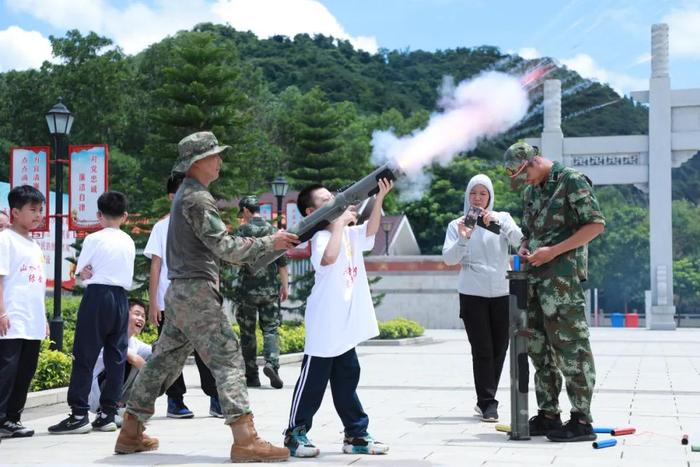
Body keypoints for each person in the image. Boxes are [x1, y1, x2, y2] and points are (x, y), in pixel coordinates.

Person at [115, 131, 298, 462]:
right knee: (228, 357)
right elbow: (225, 247)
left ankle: (130, 430)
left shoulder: (185, 195)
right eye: (215, 155)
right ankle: (245, 439)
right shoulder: (197, 198)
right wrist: (271, 241)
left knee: (162, 362)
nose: (220, 161)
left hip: (181, 292)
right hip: (197, 292)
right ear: (198, 162)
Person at [283, 180, 393, 459]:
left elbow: (370, 231)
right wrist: (339, 225)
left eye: (332, 197)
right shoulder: (320, 238)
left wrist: (379, 197)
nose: (333, 202)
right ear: (312, 212)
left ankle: (356, 434)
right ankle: (295, 433)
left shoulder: (348, 233)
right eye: (325, 201)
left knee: (347, 379)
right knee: (313, 382)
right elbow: (329, 259)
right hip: (325, 324)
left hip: (344, 323)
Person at [504, 141, 605, 442]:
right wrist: (525, 246)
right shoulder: (531, 192)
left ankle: (581, 420)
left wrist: (553, 251)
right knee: (538, 349)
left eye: (525, 175)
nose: (524, 182)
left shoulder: (571, 181)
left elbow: (595, 225)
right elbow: (529, 233)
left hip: (562, 282)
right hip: (533, 281)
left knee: (571, 347)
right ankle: (548, 414)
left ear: (533, 162)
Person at [49, 191, 136, 434]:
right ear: (125, 216)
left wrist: (81, 275)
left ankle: (79, 414)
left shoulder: (94, 239)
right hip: (120, 299)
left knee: (85, 354)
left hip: (98, 296)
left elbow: (83, 272)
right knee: (116, 357)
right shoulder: (128, 241)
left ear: (99, 215)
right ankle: (108, 413)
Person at [442, 174, 522, 423]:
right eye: (473, 193)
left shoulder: (502, 218)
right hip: (472, 294)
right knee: (483, 349)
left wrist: (498, 223)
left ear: (490, 197)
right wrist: (465, 237)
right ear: (467, 196)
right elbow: (449, 259)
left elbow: (520, 242)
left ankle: (486, 399)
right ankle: (488, 403)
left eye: (483, 193)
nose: (477, 198)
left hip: (501, 291)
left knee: (500, 348)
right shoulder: (458, 224)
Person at [144, 173, 221, 418]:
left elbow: (212, 261)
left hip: (201, 300)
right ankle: (175, 401)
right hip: (171, 300)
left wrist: (216, 294)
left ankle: (216, 398)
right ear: (171, 197)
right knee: (170, 352)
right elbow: (156, 265)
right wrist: (153, 303)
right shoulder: (161, 226)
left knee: (207, 351)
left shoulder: (204, 221)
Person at [0, 186, 47, 438]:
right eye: (33, 210)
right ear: (15, 212)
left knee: (25, 371)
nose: (38, 214)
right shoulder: (5, 239)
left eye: (40, 210)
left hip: (32, 321)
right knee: (6, 371)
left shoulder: (33, 244)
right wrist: (1, 313)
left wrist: (44, 318)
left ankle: (12, 419)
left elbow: (36, 285)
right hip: (11, 320)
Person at [234, 195, 289, 389]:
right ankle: (271, 363)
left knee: (247, 333)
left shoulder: (242, 231)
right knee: (271, 329)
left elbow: (235, 259)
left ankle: (252, 376)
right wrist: (285, 287)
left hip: (246, 292)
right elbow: (282, 263)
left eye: (243, 213)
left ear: (247, 211)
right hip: (269, 291)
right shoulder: (273, 231)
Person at [88, 299, 151, 426]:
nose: (141, 319)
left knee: (151, 356)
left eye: (143, 316)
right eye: (137, 314)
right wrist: (155, 379)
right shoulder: (110, 337)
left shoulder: (134, 342)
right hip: (93, 395)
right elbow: (135, 360)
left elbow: (155, 354)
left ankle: (121, 407)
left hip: (110, 392)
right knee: (124, 360)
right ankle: (106, 411)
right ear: (123, 314)